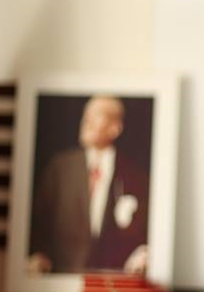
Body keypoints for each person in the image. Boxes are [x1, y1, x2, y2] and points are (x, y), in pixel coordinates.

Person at [28, 96, 149, 274]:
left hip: (112, 279)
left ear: (115, 128)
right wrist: (36, 256)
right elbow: (36, 223)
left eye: (97, 114)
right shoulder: (59, 168)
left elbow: (144, 232)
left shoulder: (135, 177)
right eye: (86, 114)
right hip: (61, 275)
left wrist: (143, 252)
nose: (86, 121)